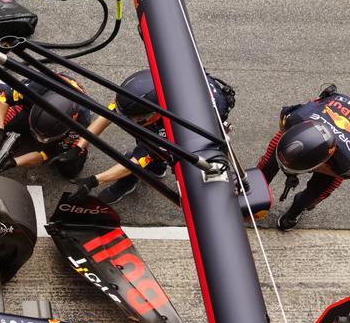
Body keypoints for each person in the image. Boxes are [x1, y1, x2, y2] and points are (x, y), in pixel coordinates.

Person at [74, 68, 234, 204]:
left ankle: (134, 180)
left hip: (197, 123)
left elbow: (135, 163)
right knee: (146, 141)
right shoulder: (153, 90)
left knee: (145, 154)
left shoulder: (173, 129)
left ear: (156, 114)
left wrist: (95, 180)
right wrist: (79, 146)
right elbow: (109, 114)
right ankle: (157, 168)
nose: (130, 122)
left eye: (137, 119)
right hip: (196, 100)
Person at [255, 84, 350, 230]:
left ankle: (295, 211)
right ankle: (254, 192)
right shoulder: (293, 117)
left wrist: (320, 169)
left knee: (315, 194)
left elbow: (342, 175)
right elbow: (283, 129)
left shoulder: (345, 164)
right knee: (266, 166)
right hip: (303, 128)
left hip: (335, 157)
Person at [0, 73, 91, 179]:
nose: (38, 140)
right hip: (34, 99)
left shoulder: (80, 122)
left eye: (44, 138)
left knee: (70, 168)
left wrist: (15, 162)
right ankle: (2, 86)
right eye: (36, 133)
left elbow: (48, 154)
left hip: (71, 119)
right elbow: (3, 99)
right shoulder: (34, 88)